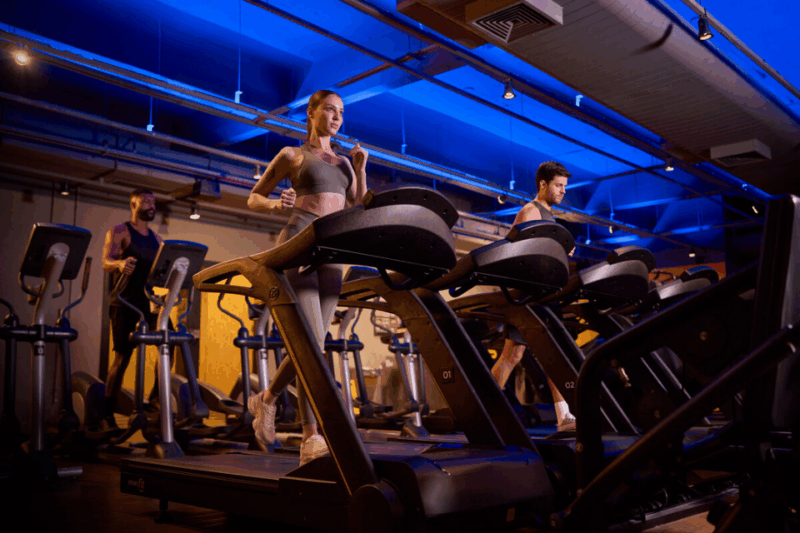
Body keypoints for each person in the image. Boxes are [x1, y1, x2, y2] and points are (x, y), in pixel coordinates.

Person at [246, 90, 368, 464]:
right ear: (312, 112)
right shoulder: (292, 155)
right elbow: (253, 196)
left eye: (341, 112)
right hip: (299, 240)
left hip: (332, 253)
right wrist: (272, 203)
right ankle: (310, 437)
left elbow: (359, 205)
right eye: (329, 110)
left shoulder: (347, 163)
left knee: (314, 342)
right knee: (312, 340)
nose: (336, 117)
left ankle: (265, 399)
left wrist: (362, 168)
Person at [489, 161, 577, 431]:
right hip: (529, 294)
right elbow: (521, 252)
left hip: (544, 293)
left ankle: (564, 416)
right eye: (558, 186)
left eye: (564, 186)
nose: (563, 191)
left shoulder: (550, 216)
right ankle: (485, 407)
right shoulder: (530, 211)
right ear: (543, 184)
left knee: (534, 355)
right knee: (513, 356)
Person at [101, 188, 174, 429]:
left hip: (148, 301)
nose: (151, 205)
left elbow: (161, 271)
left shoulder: (158, 240)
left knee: (169, 340)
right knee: (122, 357)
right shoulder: (120, 231)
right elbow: (105, 261)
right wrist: (119, 263)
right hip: (124, 301)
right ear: (133, 204)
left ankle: (154, 397)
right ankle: (107, 412)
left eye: (153, 202)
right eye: (146, 201)